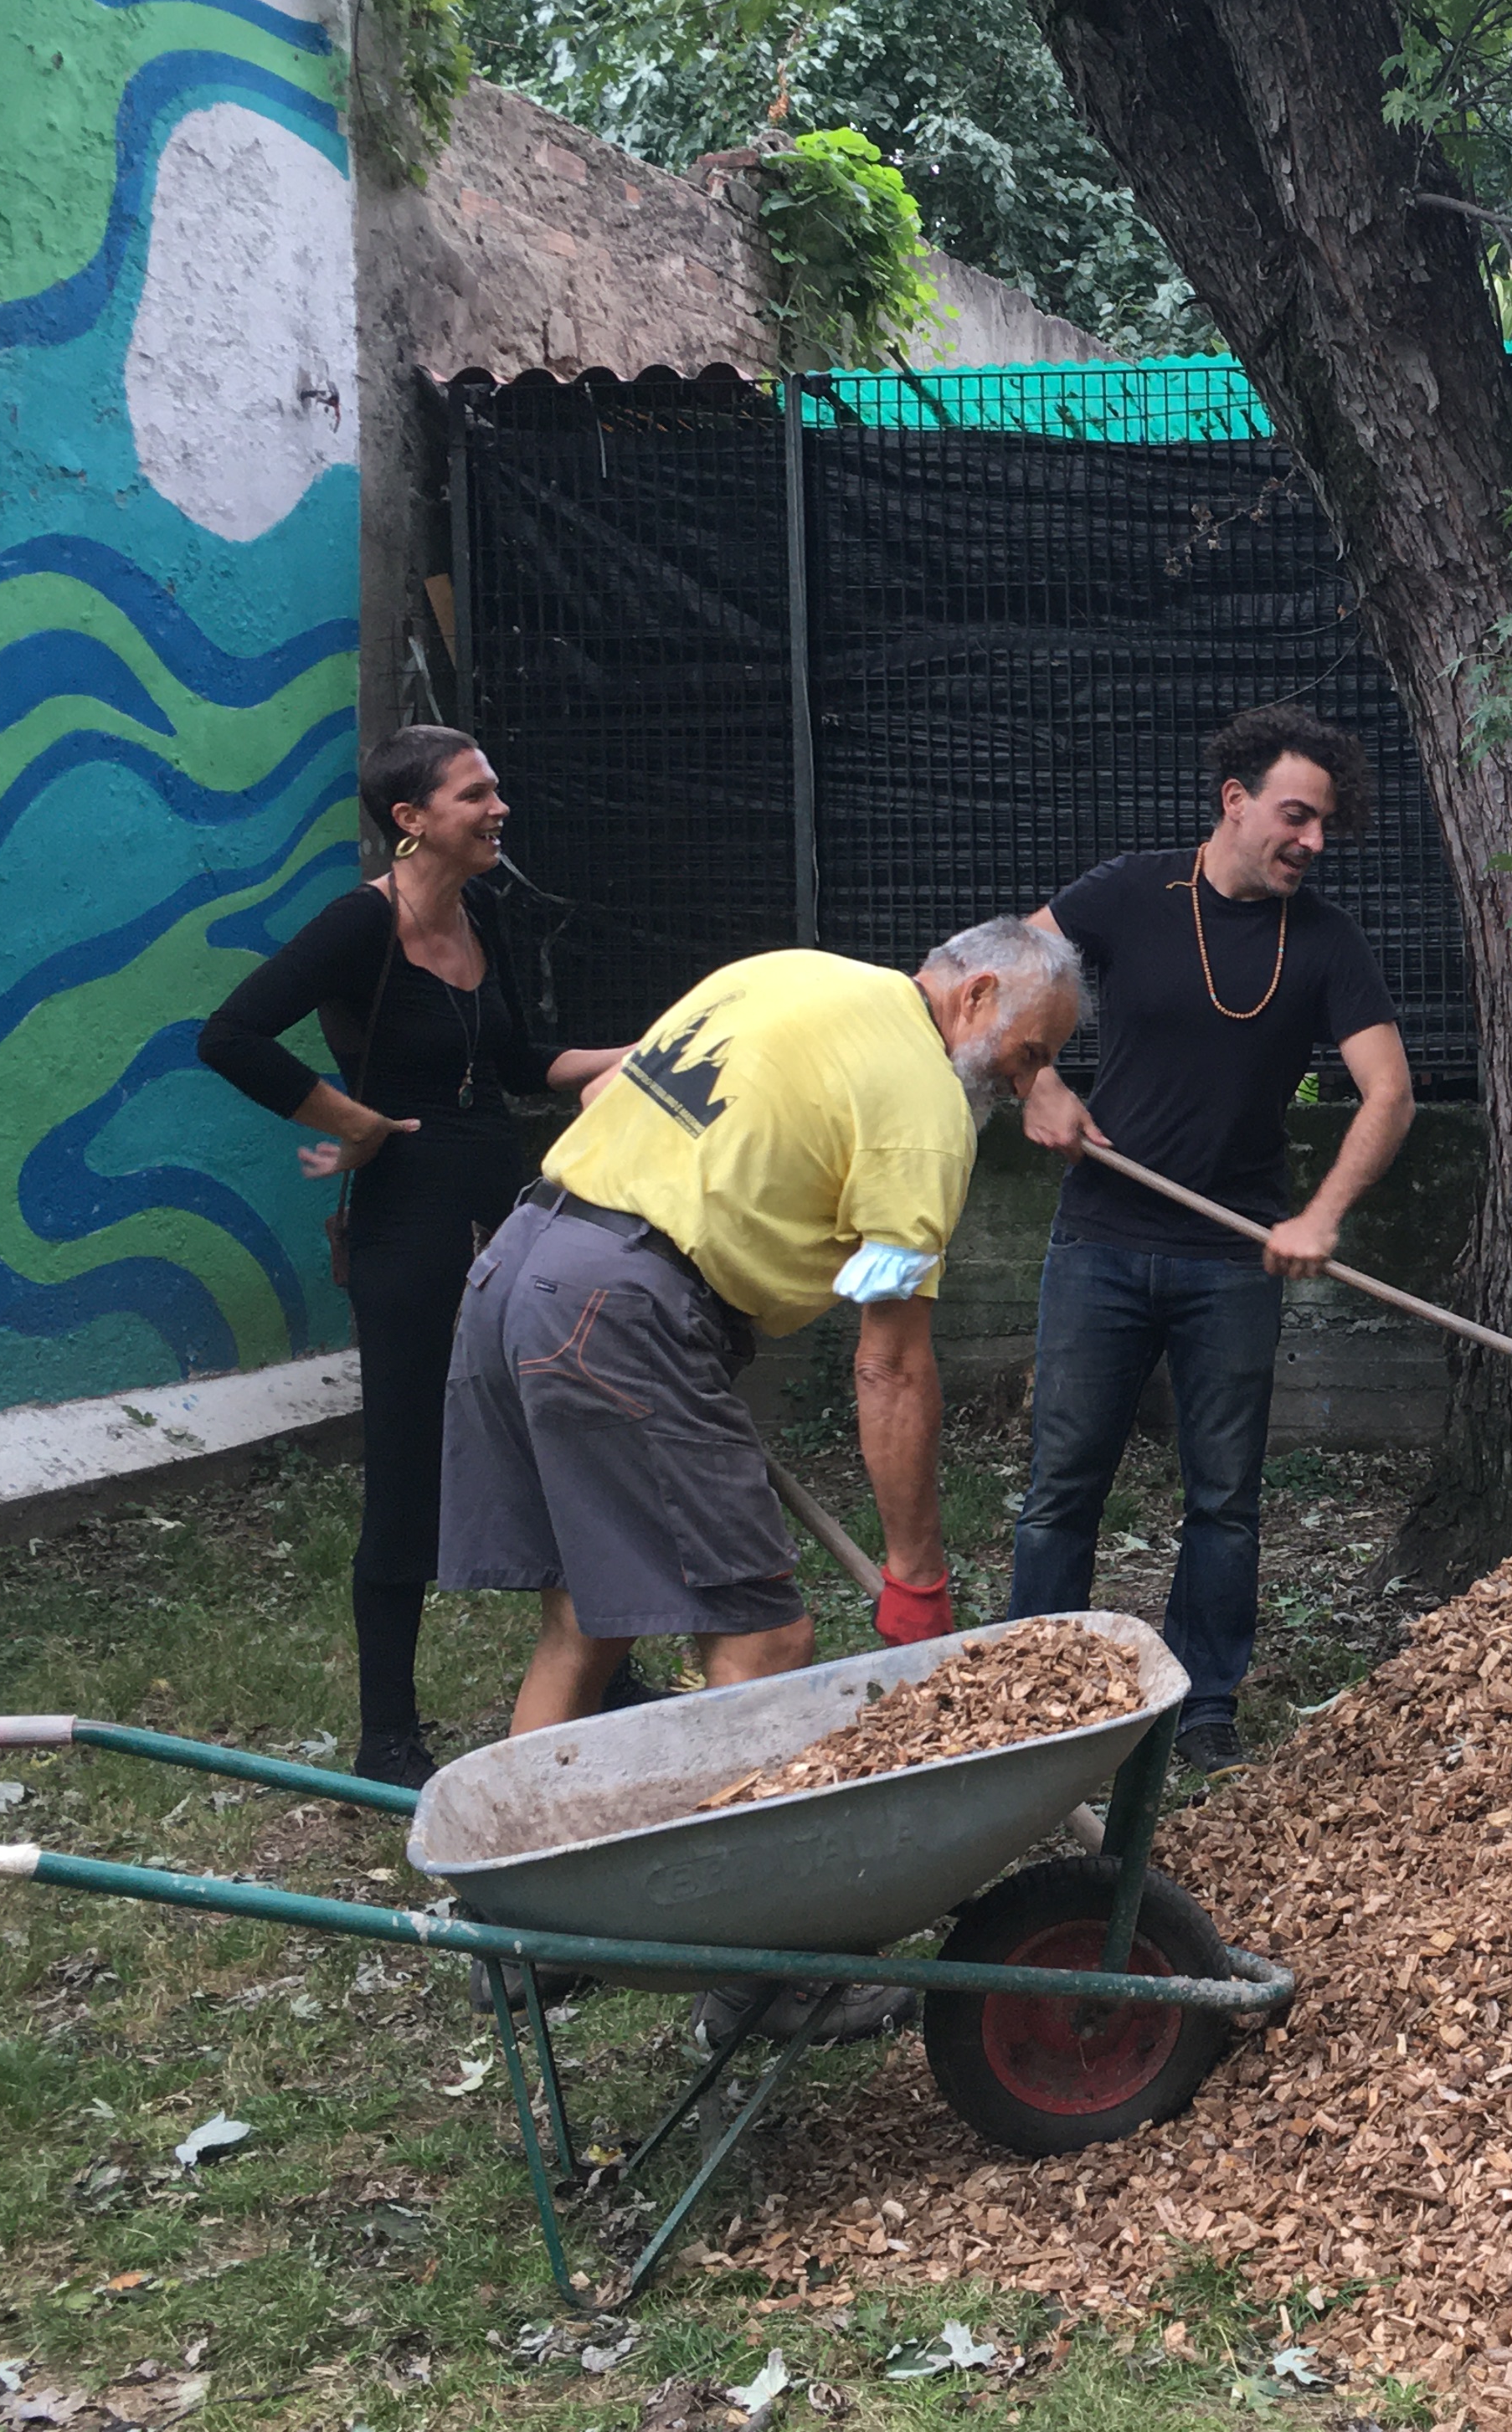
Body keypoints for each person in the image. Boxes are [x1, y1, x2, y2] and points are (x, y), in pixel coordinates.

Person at [439, 915, 1083, 2044]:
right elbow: (890, 1363)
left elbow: (611, 1097)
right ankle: (768, 1982)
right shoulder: (924, 1112)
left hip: (520, 1266)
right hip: (621, 1309)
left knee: (586, 1618)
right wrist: (916, 1574)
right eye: (1029, 1053)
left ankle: (520, 1934)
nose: (1024, 1083)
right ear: (976, 995)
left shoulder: (787, 976)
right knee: (766, 1642)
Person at [198, 726, 626, 1788]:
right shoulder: (360, 923)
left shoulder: (482, 915)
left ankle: (606, 1676)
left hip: (510, 1213)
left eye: (495, 788)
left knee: (559, 1433)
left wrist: (642, 1051)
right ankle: (387, 1735)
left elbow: (518, 1062)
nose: (499, 808)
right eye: (475, 794)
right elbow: (231, 1036)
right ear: (411, 819)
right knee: (405, 1467)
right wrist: (353, 1119)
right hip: (406, 1226)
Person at [1007, 706, 1417, 1775]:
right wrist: (1034, 1080)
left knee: (1224, 1501)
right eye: (1297, 816)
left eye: (1324, 824)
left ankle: (1204, 1709)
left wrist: (1320, 1214)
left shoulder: (1323, 942)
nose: (1313, 841)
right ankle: (1030, 1703)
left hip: (1231, 1262)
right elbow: (990, 977)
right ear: (1235, 801)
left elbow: (1389, 1092)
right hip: (1100, 1242)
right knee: (1063, 1487)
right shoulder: (1130, 894)